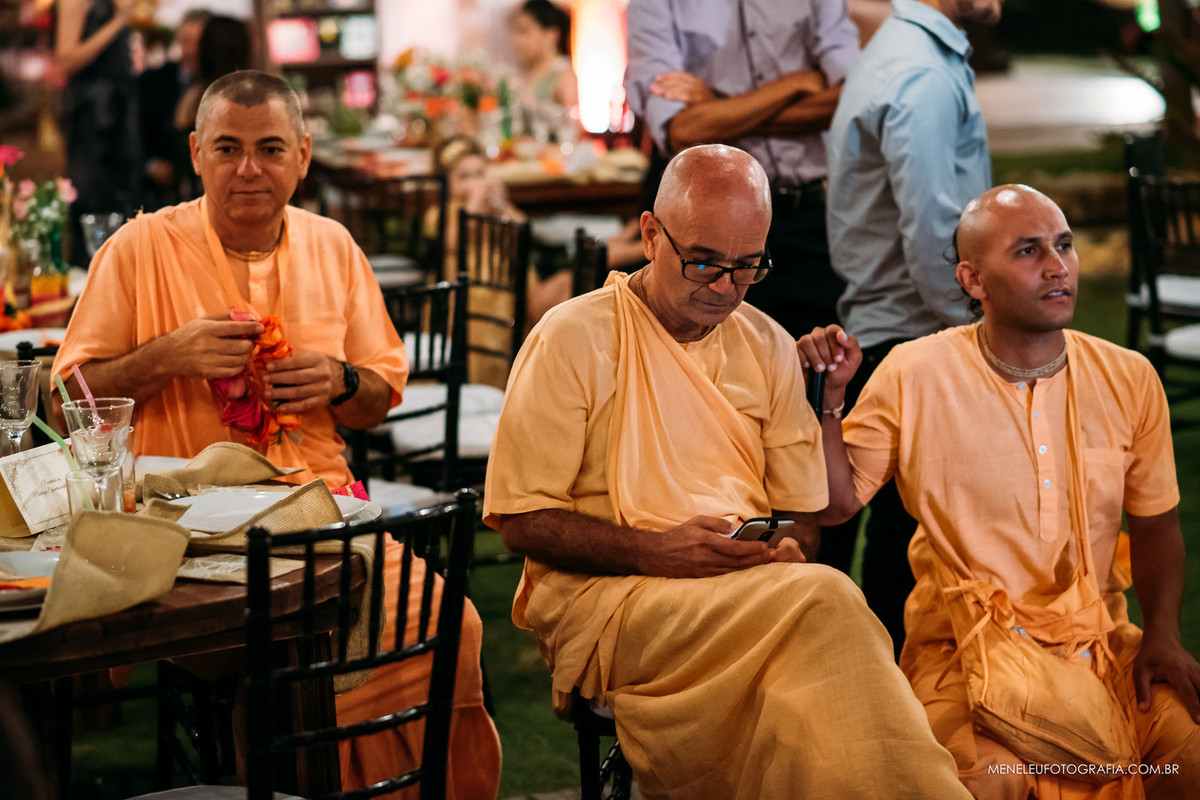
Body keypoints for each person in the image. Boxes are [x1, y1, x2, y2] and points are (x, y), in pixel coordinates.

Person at [50, 70, 501, 798]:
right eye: (227, 148)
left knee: (455, 624)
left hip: (320, 511)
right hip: (186, 523)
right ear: (196, 152)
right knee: (277, 651)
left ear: (303, 154)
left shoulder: (334, 246)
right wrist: (168, 356)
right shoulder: (138, 248)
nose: (249, 168)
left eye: (269, 148)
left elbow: (380, 396)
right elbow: (68, 396)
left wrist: (340, 381)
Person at [484, 143, 972, 799]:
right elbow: (519, 522)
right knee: (828, 598)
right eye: (705, 262)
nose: (724, 289)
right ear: (651, 235)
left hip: (752, 595)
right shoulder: (573, 337)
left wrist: (789, 548)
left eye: (747, 267)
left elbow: (804, 514)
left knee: (808, 685)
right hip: (614, 601)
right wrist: (656, 552)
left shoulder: (766, 342)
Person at [799, 184, 1200, 798]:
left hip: (1099, 648)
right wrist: (830, 401)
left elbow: (1156, 525)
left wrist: (1165, 634)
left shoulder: (1129, 376)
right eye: (1028, 251)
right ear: (972, 279)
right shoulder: (913, 372)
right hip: (962, 655)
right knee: (984, 782)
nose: (1056, 265)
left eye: (1063, 246)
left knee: (1188, 757)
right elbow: (836, 503)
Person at [819, 0, 1002, 657]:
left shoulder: (899, 52)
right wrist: (977, 330)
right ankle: (885, 711)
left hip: (886, 326)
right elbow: (933, 234)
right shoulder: (920, 72)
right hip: (913, 333)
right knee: (904, 553)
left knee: (888, 541)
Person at [624, 0, 859, 337]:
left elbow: (848, 98)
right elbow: (682, 129)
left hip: (808, 217)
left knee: (813, 370)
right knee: (710, 371)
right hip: (709, 233)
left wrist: (717, 108)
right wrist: (789, 86)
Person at [56, 0, 141, 265]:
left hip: (118, 112)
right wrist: (119, 21)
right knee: (94, 200)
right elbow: (66, 59)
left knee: (124, 200)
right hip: (94, 118)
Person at [139, 9, 210, 210]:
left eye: (198, 43)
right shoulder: (152, 80)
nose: (191, 50)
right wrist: (150, 165)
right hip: (161, 195)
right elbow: (134, 136)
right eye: (186, 42)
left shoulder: (220, 82)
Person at [508, 0, 578, 122]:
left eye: (524, 31)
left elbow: (572, 131)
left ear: (550, 34)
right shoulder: (525, 73)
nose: (517, 41)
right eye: (516, 33)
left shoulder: (564, 74)